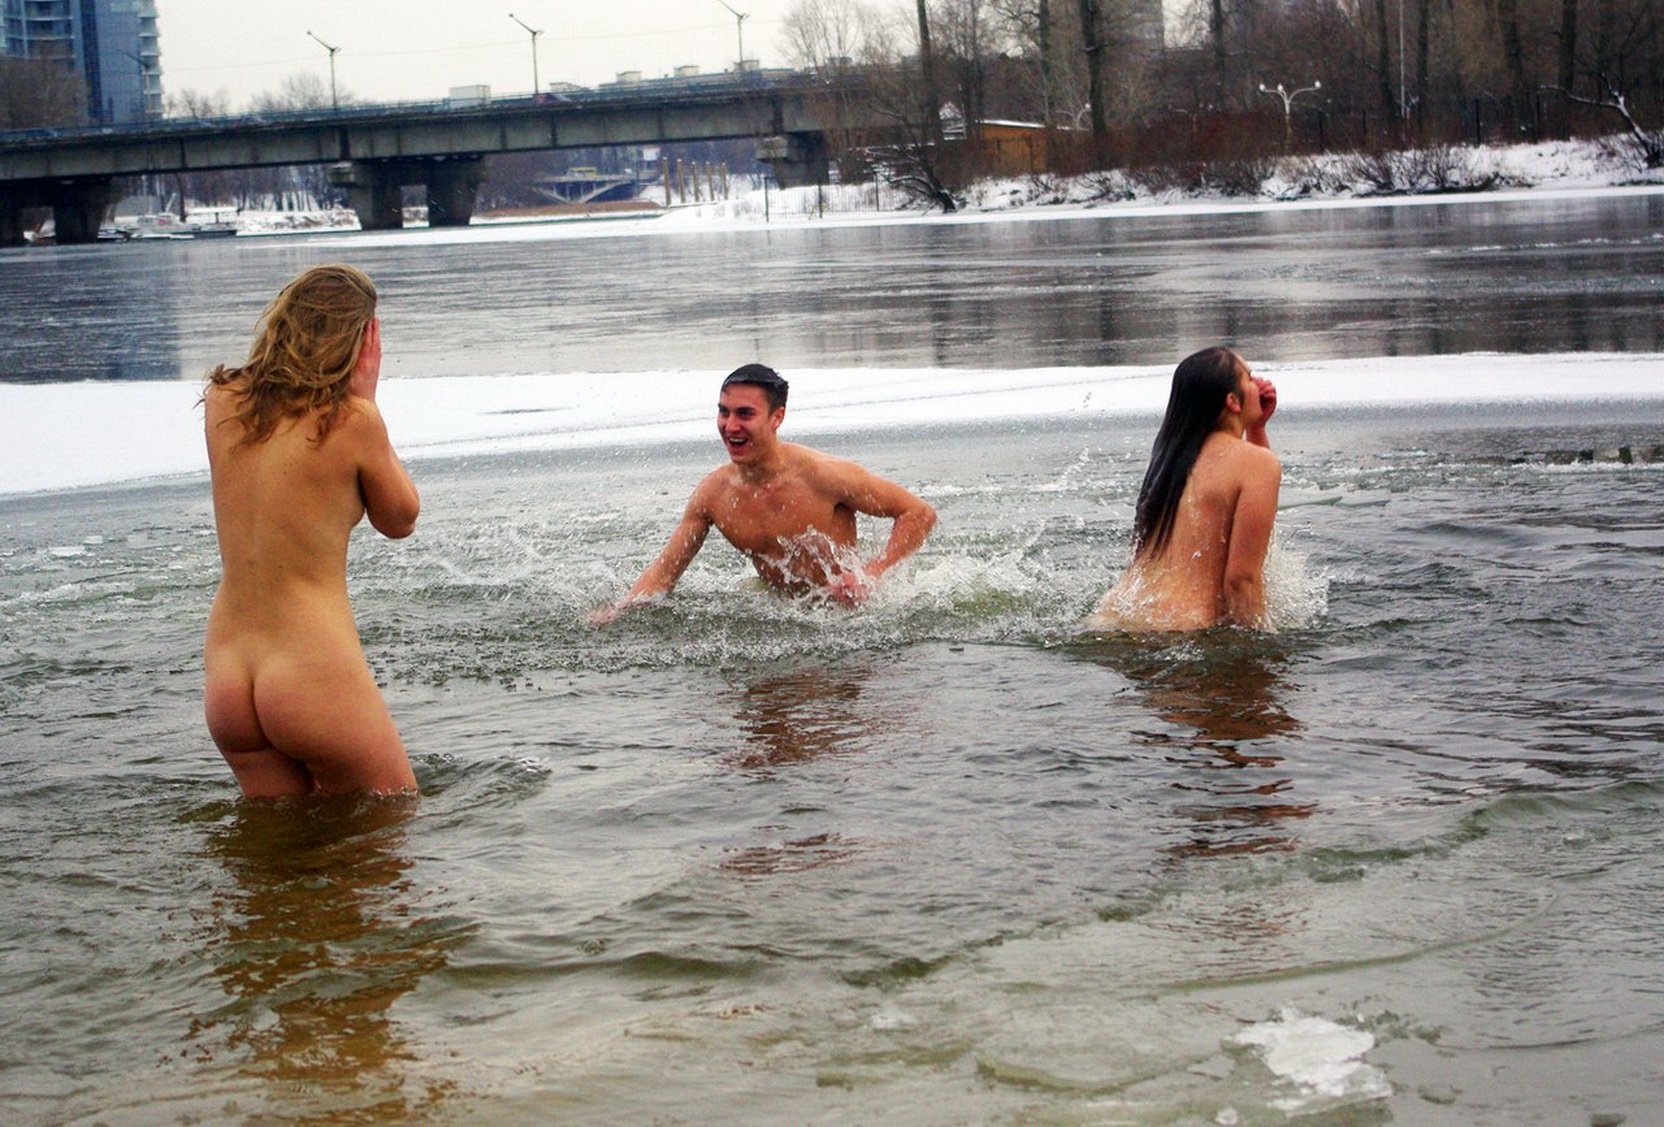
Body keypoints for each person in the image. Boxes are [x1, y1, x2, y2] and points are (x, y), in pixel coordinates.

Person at [202, 264, 421, 798]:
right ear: (361, 342)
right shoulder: (351, 421)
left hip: (229, 676)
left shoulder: (223, 400)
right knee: (392, 816)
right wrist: (367, 404)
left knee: (276, 840)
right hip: (308, 671)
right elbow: (400, 519)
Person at [592, 364, 936, 624]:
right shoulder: (713, 495)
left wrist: (871, 575)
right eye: (724, 412)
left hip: (852, 619)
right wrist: (620, 612)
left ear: (777, 417)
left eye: (745, 414)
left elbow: (918, 513)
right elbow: (664, 574)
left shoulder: (824, 476)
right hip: (784, 617)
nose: (730, 426)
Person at [1088, 346, 1281, 632]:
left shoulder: (1169, 458)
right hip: (1181, 631)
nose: (1259, 384)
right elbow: (1241, 580)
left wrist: (1256, 428)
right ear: (1232, 401)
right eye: (1250, 378)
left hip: (1115, 618)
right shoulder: (1256, 464)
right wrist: (1261, 645)